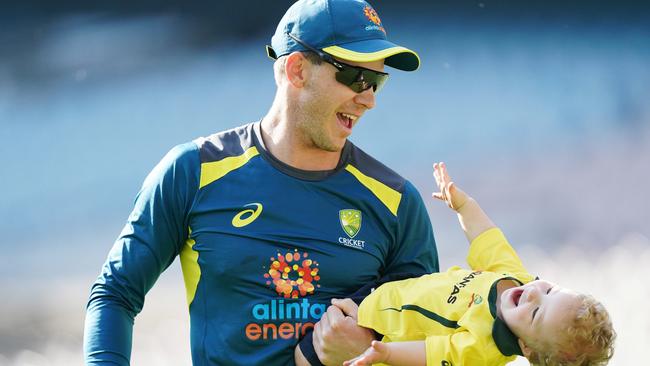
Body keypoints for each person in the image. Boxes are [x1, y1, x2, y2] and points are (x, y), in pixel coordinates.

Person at [83, 0, 439, 365]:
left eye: (377, 82)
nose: (368, 100)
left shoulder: (396, 202)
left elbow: (432, 336)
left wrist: (373, 351)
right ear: (297, 70)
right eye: (355, 77)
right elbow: (114, 295)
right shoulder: (193, 171)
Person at [339, 162, 616, 366]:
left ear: (526, 347)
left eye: (535, 314)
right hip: (386, 289)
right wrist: (464, 206)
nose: (533, 294)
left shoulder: (482, 348)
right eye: (549, 292)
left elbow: (431, 353)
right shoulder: (515, 277)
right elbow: (486, 237)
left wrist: (383, 352)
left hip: (375, 329)